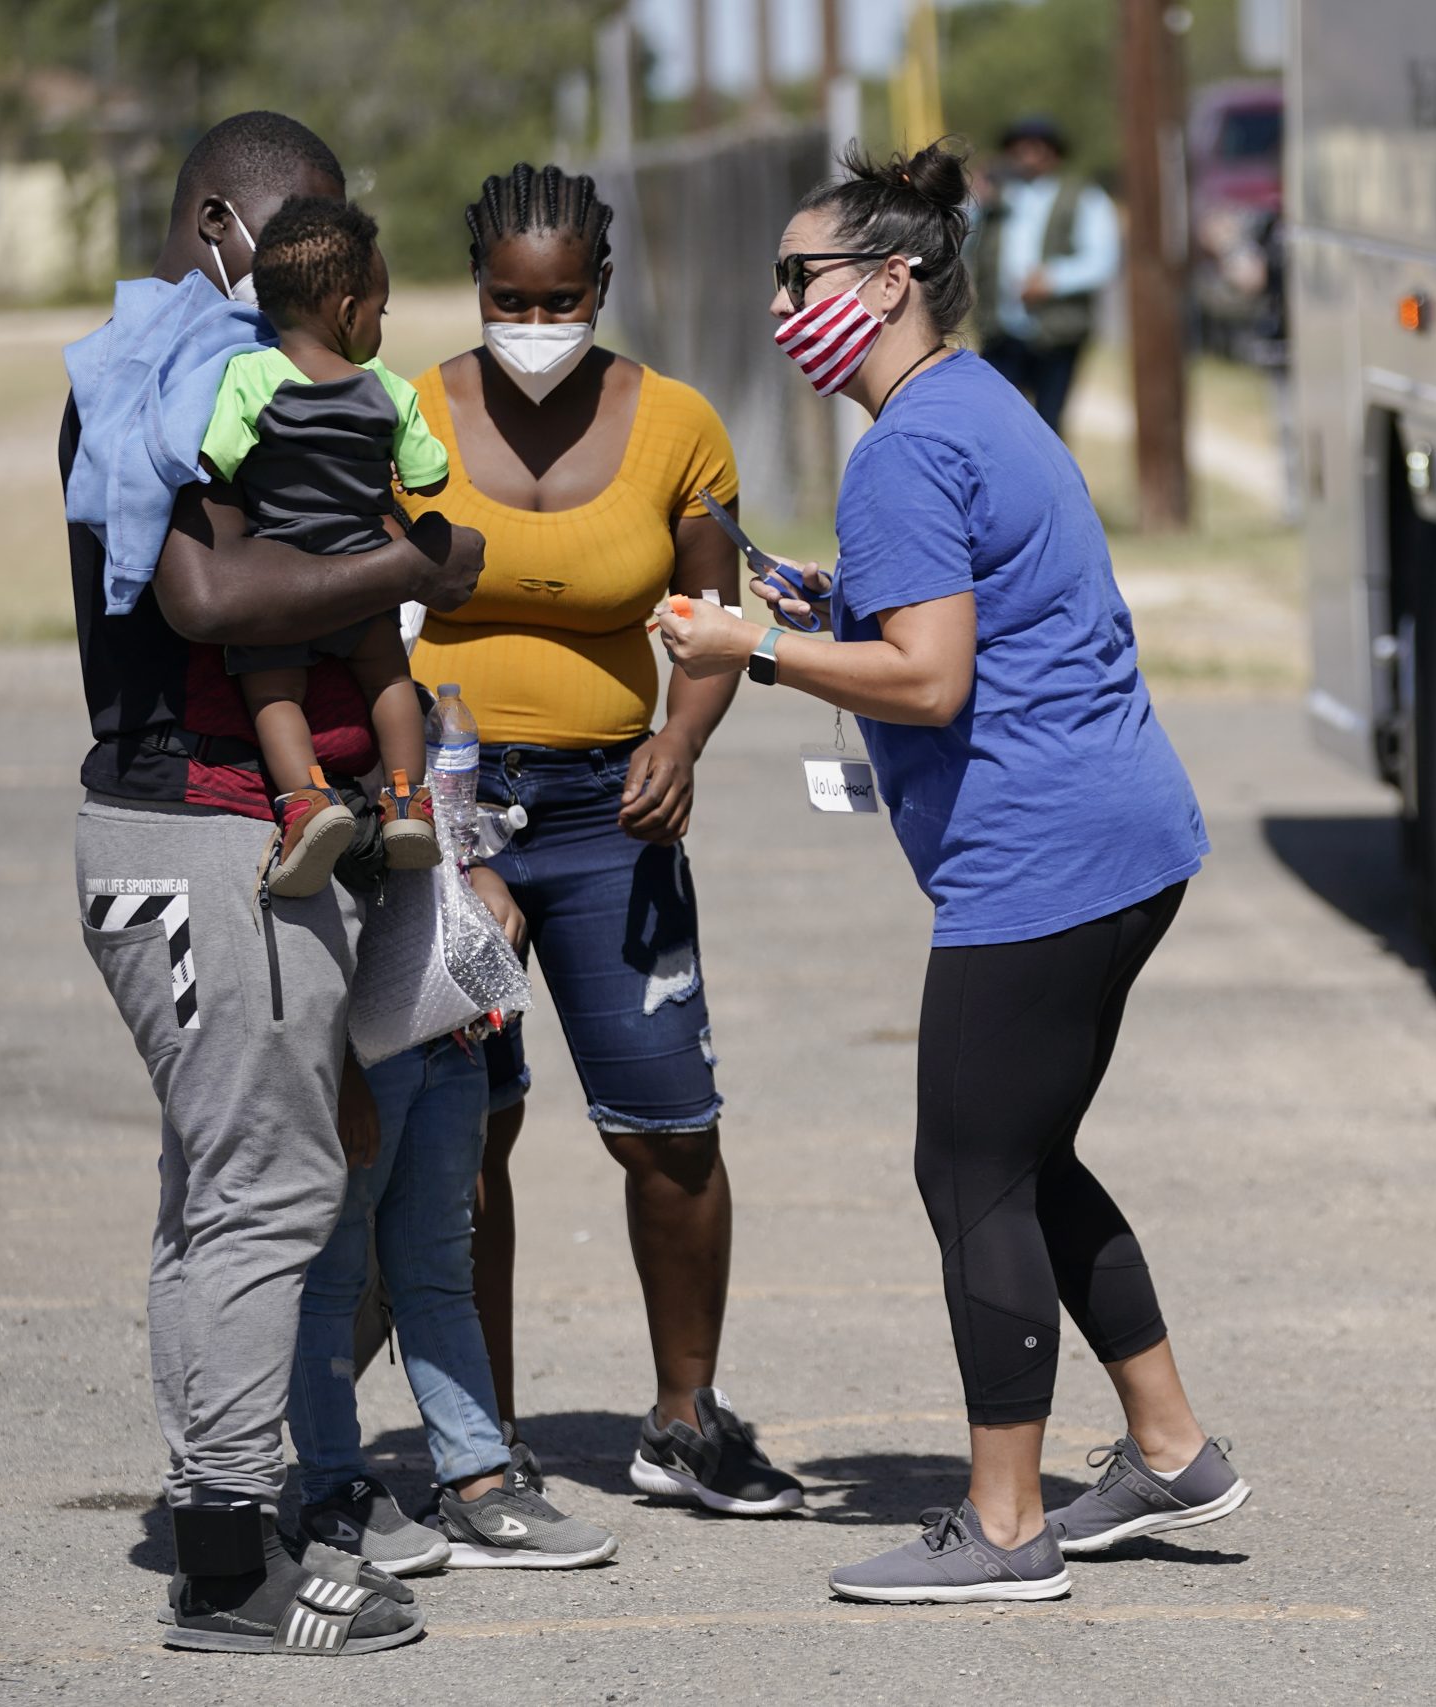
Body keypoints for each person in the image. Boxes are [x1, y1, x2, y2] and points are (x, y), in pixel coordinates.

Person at [658, 139, 1248, 1606]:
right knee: (1027, 1154)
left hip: (1042, 859)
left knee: (972, 1168)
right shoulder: (972, 401)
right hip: (1122, 838)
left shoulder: (905, 449)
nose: (780, 301)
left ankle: (1003, 1525)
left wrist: (754, 645)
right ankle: (1171, 1447)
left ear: (887, 282)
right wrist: (832, 602)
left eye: (797, 275)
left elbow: (930, 679)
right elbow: (963, 606)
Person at [63, 110, 483, 1655]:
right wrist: (412, 570)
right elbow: (209, 590)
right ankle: (233, 1570)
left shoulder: (244, 375)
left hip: (239, 828)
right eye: (299, 231)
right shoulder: (168, 378)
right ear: (221, 228)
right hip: (200, 829)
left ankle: (217, 1513)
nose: (320, 264)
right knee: (271, 1189)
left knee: (219, 1188)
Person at [397, 162, 803, 1518]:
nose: (534, 325)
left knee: (672, 1132)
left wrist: (679, 740)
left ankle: (686, 1419)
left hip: (608, 818)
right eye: (510, 301)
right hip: (451, 817)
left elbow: (711, 624)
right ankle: (482, 1443)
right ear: (478, 286)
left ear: (601, 288)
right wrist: (417, 816)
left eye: (560, 300)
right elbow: (358, 620)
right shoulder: (408, 415)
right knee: (467, 1136)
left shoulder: (678, 425)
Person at [286, 983, 619, 1575]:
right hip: (354, 1043)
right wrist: (337, 1064)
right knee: (330, 1276)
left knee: (437, 1273)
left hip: (449, 1035)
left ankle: (479, 1491)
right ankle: (332, 1494)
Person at [200, 196, 447, 895]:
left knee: (274, 690)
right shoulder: (387, 388)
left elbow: (216, 459)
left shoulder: (249, 376)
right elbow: (430, 476)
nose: (380, 324)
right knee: (389, 680)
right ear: (348, 312)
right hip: (365, 575)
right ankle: (407, 800)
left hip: (283, 582)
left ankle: (308, 800)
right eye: (381, 310)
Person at [968, 115, 1117, 439]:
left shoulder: (1083, 196)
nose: (1027, 154)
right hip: (1001, 331)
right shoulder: (995, 197)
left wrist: (1053, 280)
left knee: (1049, 425)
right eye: (1019, 147)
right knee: (996, 424)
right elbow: (961, 245)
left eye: (1037, 146)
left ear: (1055, 152)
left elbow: (1102, 259)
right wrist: (976, 198)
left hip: (1057, 332)